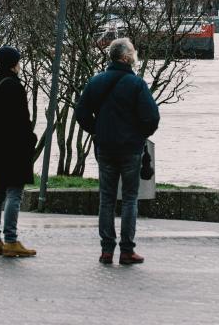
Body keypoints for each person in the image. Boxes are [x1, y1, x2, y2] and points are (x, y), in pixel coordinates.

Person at [76, 38, 160, 266]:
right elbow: (152, 117)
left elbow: (81, 113)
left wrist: (97, 130)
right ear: (125, 57)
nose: (134, 54)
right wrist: (140, 134)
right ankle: (126, 250)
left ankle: (106, 250)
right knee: (130, 198)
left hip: (104, 148)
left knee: (106, 199)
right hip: (130, 149)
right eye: (132, 51)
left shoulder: (96, 82)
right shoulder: (136, 85)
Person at [0, 46, 37, 258]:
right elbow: (22, 119)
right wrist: (30, 139)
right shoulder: (13, 86)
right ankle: (11, 240)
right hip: (14, 147)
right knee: (14, 192)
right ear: (14, 63)